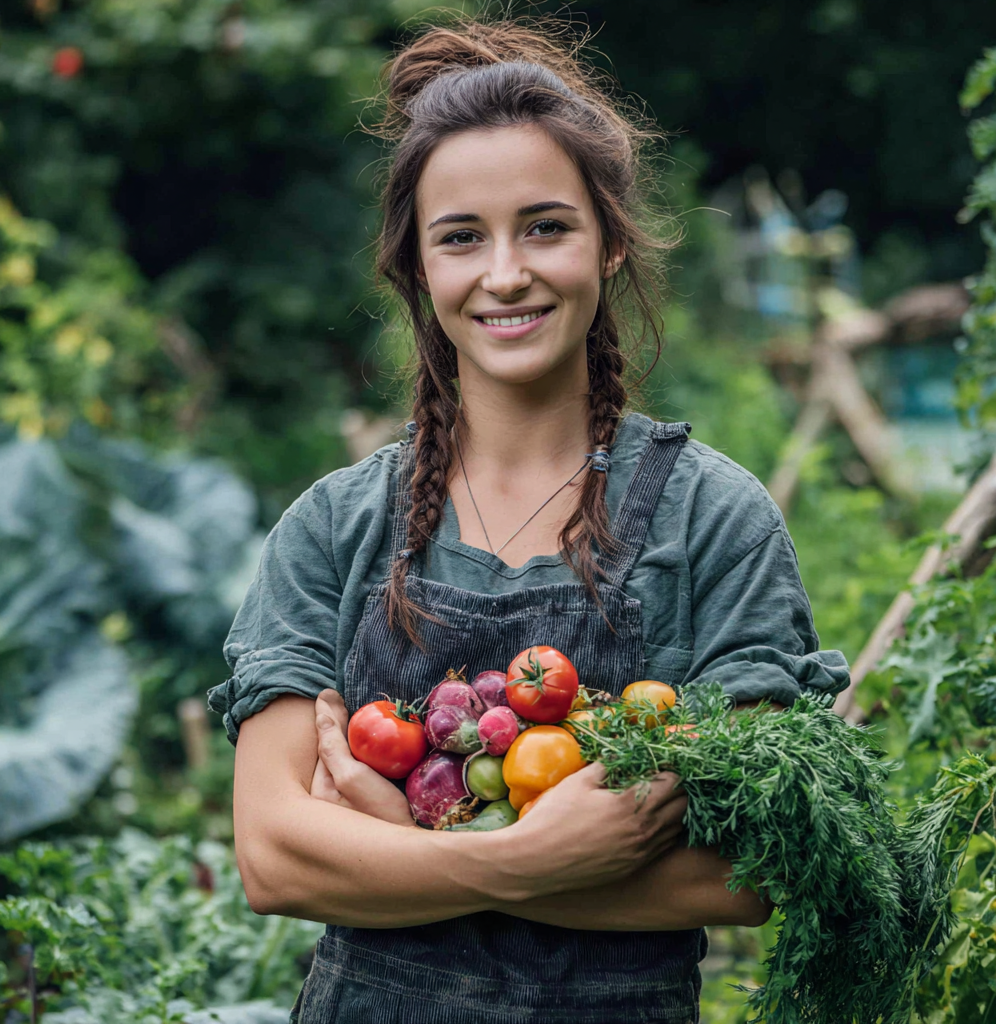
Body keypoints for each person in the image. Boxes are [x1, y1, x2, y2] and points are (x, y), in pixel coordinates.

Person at [208, 19, 849, 1024]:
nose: (504, 272)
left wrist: (398, 852)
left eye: (545, 226)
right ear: (418, 269)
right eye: (461, 236)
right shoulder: (334, 527)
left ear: (610, 242)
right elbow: (276, 858)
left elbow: (738, 874)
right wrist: (523, 854)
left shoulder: (712, 520)